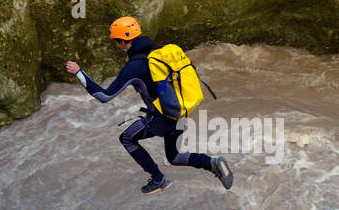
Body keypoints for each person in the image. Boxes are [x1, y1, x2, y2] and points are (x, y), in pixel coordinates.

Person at [65, 16, 233, 194]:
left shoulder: (135, 66)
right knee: (175, 156)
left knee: (127, 138)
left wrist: (79, 73)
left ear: (123, 42)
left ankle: (159, 179)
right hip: (180, 112)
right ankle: (212, 163)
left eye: (116, 42)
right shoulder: (157, 53)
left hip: (162, 117)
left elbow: (104, 96)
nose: (116, 45)